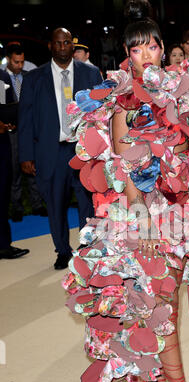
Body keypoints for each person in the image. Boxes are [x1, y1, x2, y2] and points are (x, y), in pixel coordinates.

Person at [63, 0, 189, 382]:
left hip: (187, 205)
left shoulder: (180, 91)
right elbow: (124, 167)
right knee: (160, 311)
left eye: (152, 47)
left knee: (165, 309)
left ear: (162, 49)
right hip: (148, 213)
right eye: (136, 49)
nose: (146, 55)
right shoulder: (123, 101)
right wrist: (142, 224)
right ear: (126, 52)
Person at [18, 28, 102, 269]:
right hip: (50, 152)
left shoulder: (91, 73)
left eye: (67, 43)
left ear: (72, 46)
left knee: (88, 203)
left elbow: (100, 114)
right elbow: (25, 119)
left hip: (83, 151)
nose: (63, 47)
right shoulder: (34, 78)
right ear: (50, 46)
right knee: (55, 204)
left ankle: (88, 247)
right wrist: (26, 155)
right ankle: (63, 250)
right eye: (58, 43)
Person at [5, 43, 46, 222]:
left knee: (32, 167)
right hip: (12, 131)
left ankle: (37, 204)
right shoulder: (1, 79)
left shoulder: (29, 76)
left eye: (22, 62)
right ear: (8, 59)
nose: (19, 66)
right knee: (15, 169)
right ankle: (17, 206)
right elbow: (1, 106)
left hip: (30, 130)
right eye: (16, 62)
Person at [0, 69, 29, 260]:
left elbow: (6, 106)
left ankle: (3, 245)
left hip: (2, 143)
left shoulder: (1, 77)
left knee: (2, 192)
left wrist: (8, 122)